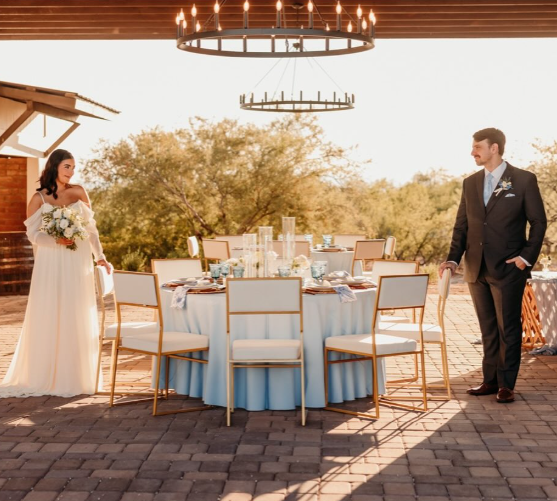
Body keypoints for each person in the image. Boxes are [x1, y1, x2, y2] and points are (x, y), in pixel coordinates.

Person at [439, 128, 546, 403]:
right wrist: (453, 258)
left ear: (494, 148)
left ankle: (506, 384)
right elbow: (462, 225)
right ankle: (489, 380)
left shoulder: (523, 180)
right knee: (487, 328)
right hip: (476, 268)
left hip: (510, 268)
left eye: (478, 147)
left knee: (508, 328)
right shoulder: (470, 182)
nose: (473, 152)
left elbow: (538, 222)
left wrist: (525, 258)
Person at [0, 149, 111, 397]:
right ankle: (46, 373)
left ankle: (78, 376)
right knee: (50, 309)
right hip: (51, 261)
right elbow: (32, 234)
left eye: (73, 167)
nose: (71, 171)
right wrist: (55, 240)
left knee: (76, 310)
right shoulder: (39, 198)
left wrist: (100, 257)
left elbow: (91, 230)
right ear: (54, 167)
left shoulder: (79, 191)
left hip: (77, 260)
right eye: (67, 167)